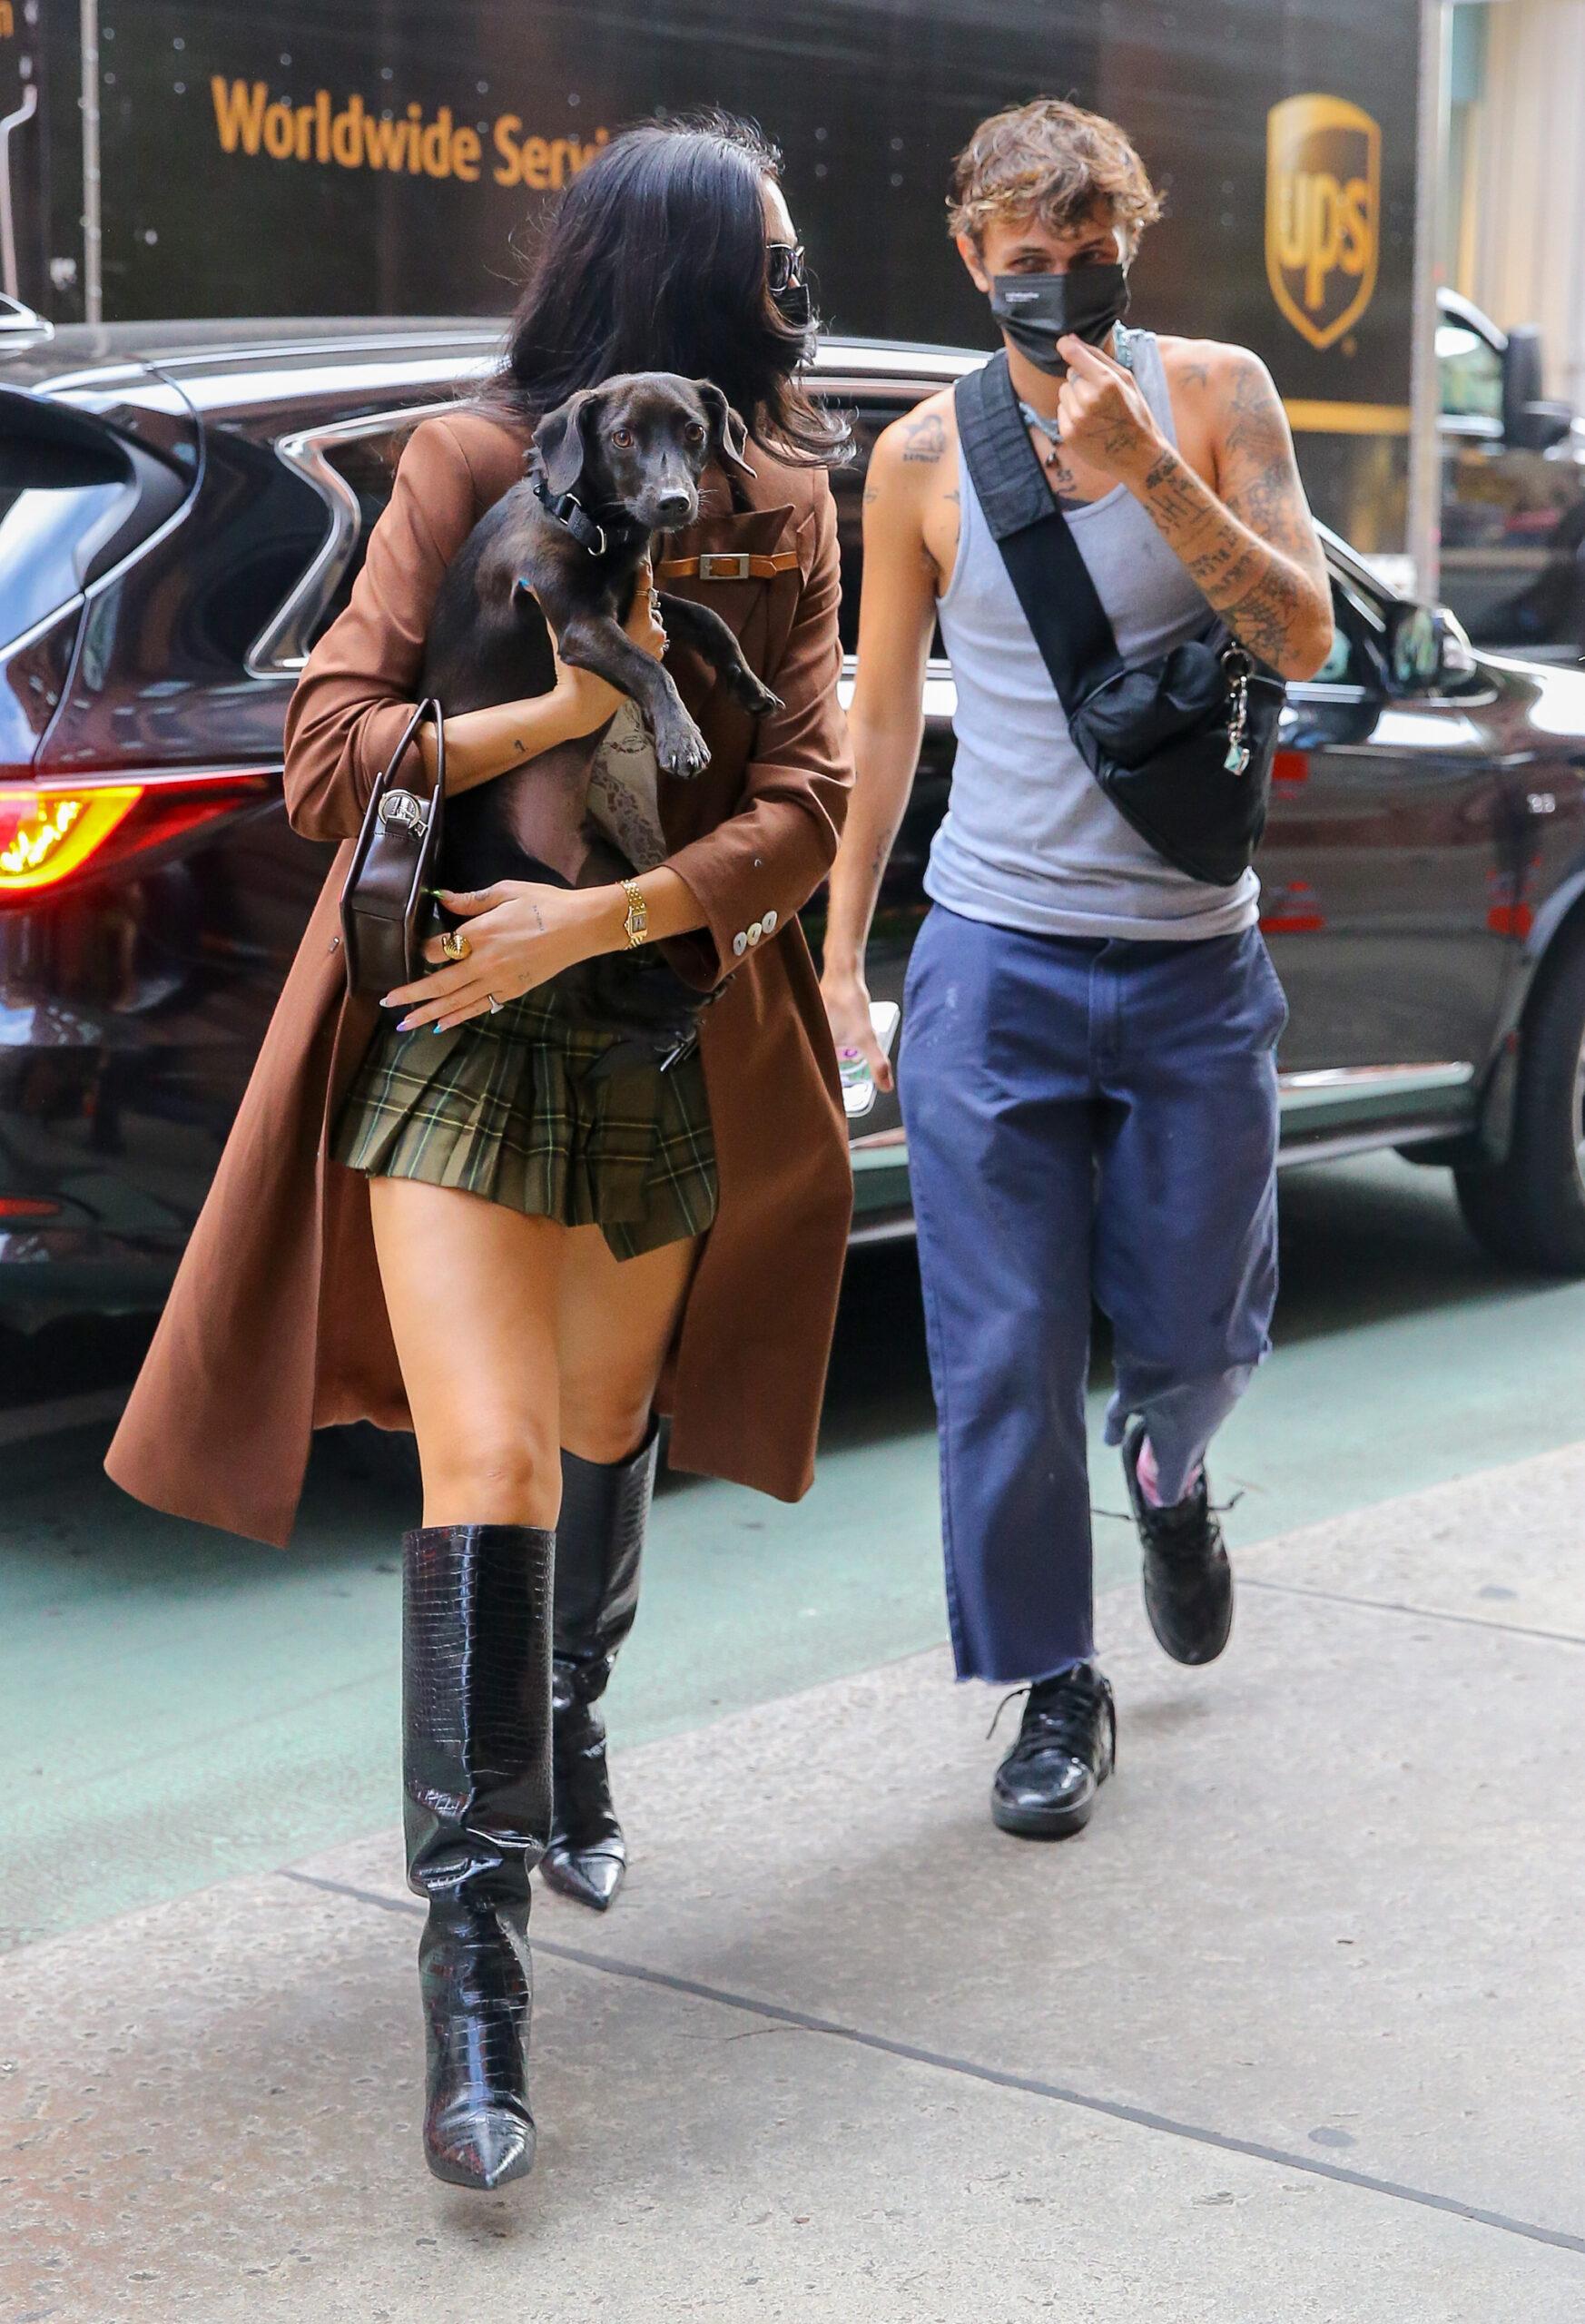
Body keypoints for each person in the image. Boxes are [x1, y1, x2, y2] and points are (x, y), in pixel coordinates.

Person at [106, 113, 853, 2189]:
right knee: (490, 1461)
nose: (800, 288)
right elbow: (326, 750)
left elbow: (805, 798)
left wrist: (603, 911)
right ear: (686, 272)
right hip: (449, 1025)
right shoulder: (462, 466)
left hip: (652, 1029)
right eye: (775, 257)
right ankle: (478, 1993)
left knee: (605, 1422)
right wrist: (538, 721)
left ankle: (574, 1720)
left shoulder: (790, 502)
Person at [822, 98, 1333, 1845]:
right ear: (972, 259)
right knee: (1001, 1352)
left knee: (1194, 1332)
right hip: (992, 963)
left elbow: (1302, 633)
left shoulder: (1217, 394)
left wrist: (1153, 475)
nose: (1057, 288)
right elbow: (879, 722)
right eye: (1023, 262)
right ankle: (1050, 1686)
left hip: (1192, 963)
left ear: (1136, 241)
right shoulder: (908, 465)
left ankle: (1172, 1475)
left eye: (1087, 257)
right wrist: (837, 956)